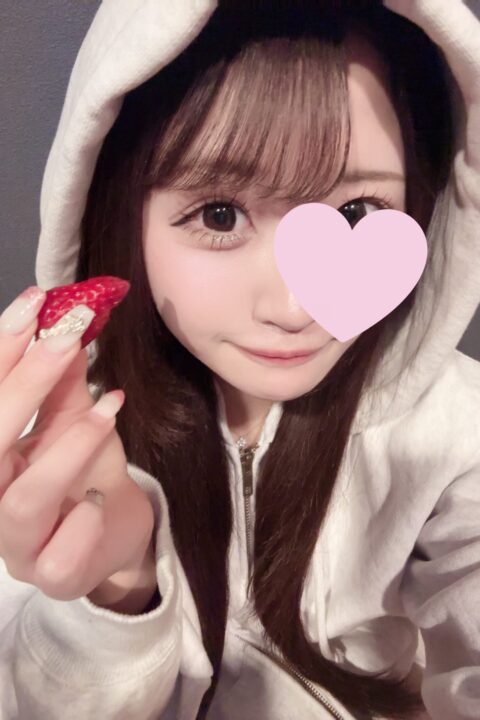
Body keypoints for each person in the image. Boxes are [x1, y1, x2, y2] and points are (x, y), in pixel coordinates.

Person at [0, 0, 479, 717]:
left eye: (357, 211)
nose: (294, 307)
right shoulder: (55, 440)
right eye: (220, 215)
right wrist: (117, 595)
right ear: (117, 207)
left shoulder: (456, 430)